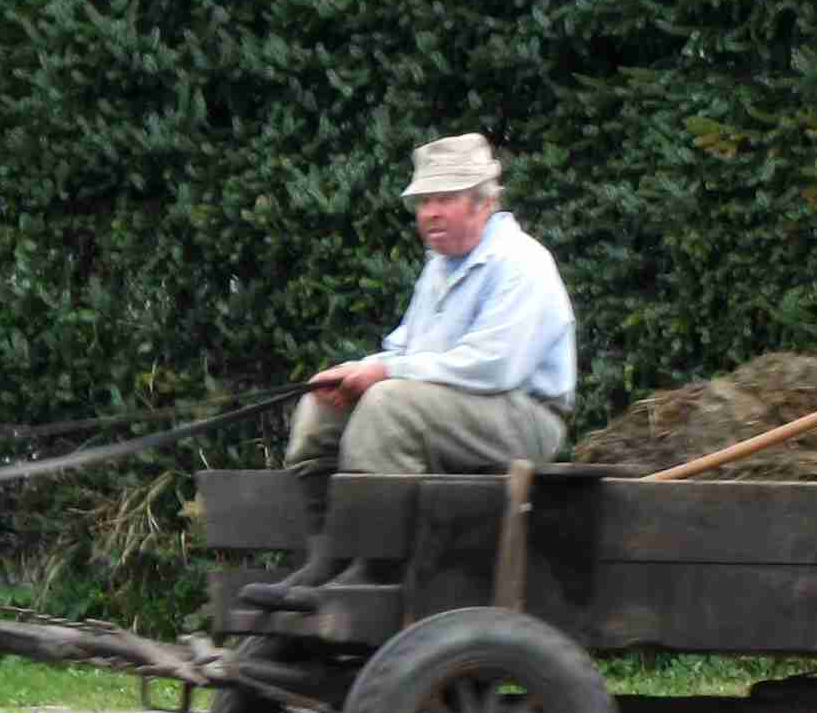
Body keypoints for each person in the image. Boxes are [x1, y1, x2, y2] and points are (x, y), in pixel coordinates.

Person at [239, 133, 577, 610]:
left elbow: (493, 366)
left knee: (388, 405)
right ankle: (326, 559)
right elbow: (406, 347)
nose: (430, 213)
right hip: (464, 410)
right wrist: (353, 370)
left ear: (483, 204)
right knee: (321, 406)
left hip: (525, 418)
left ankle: (374, 565)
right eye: (423, 202)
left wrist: (384, 372)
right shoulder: (440, 267)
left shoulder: (522, 265)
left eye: (444, 199)